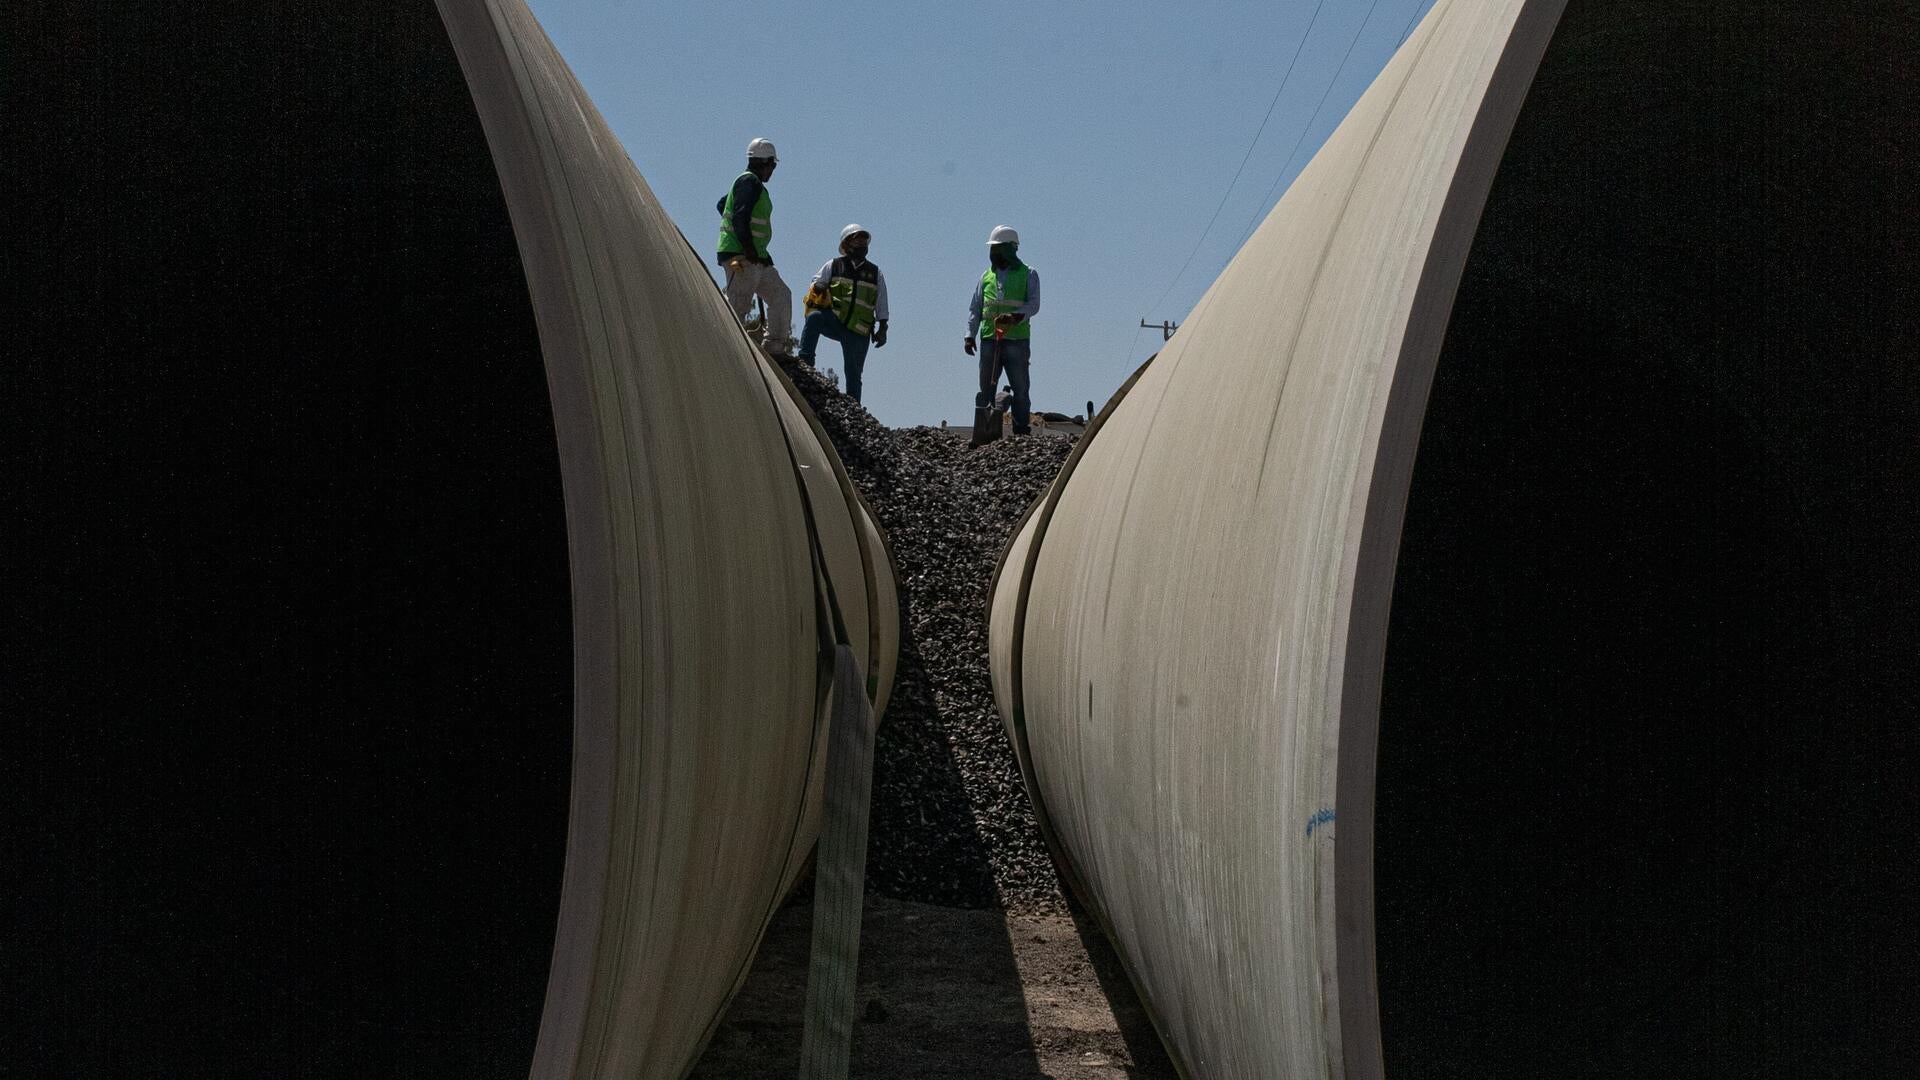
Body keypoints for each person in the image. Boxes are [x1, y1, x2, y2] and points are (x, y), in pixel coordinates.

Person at [716, 137, 793, 356]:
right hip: (742, 257)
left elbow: (724, 205)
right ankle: (724, 348)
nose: (773, 170)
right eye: (773, 165)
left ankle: (775, 349)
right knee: (737, 305)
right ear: (765, 162)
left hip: (756, 257)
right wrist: (747, 247)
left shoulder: (750, 185)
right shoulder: (749, 182)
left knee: (781, 296)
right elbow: (739, 216)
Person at [798, 224, 890, 401]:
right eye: (858, 240)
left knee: (853, 373)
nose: (862, 244)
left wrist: (883, 327)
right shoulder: (834, 265)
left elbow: (882, 301)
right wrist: (817, 288)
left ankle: (853, 409)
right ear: (847, 244)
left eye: (864, 241)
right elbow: (816, 281)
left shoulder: (874, 273)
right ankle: (805, 362)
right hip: (836, 321)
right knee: (815, 317)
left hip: (859, 329)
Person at [965, 225, 1039, 436]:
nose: (994, 253)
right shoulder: (986, 277)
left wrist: (1015, 316)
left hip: (1016, 339)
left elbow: (1034, 304)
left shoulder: (1028, 274)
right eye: (993, 249)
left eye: (998, 248)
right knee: (985, 388)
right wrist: (969, 335)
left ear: (1011, 248)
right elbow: (975, 308)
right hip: (989, 339)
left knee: (1020, 387)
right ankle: (984, 432)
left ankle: (1021, 430)